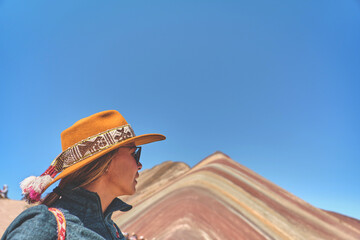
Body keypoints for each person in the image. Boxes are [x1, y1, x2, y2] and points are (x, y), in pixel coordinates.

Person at [1, 110, 165, 240]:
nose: (139, 165)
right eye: (134, 154)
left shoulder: (114, 231)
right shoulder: (45, 225)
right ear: (106, 162)